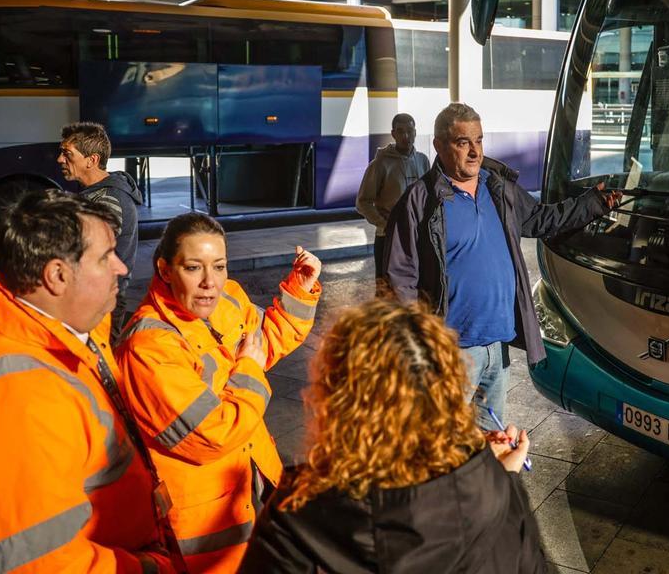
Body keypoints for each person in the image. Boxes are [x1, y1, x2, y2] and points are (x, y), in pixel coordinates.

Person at [0, 189, 178, 573]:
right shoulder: (14, 395)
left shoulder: (42, 339)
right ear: (56, 275)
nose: (121, 267)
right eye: (105, 256)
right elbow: (42, 564)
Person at [240, 300, 546, 573]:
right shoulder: (500, 492)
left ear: (336, 400)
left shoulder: (297, 517)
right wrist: (494, 476)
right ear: (447, 394)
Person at [384, 102, 620, 430]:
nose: (474, 151)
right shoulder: (419, 200)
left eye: (478, 141)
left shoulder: (497, 188)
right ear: (438, 145)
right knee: (438, 444)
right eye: (462, 142)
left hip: (497, 346)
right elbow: (400, 278)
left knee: (491, 444)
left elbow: (540, 219)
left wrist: (592, 203)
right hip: (452, 353)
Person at [114, 212, 322, 573]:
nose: (211, 282)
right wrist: (250, 369)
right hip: (207, 528)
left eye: (220, 266)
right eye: (193, 268)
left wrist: (300, 289)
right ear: (165, 270)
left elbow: (264, 343)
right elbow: (210, 433)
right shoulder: (149, 347)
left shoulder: (229, 299)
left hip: (254, 483)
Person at [59, 121, 143, 338]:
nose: (60, 159)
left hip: (100, 300)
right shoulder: (96, 194)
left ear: (92, 160)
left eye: (68, 154)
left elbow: (85, 253)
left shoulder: (107, 199)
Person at [355, 113, 429, 284]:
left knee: (415, 287)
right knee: (386, 291)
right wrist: (384, 224)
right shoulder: (380, 163)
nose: (406, 136)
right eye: (400, 131)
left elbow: (428, 197)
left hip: (416, 237)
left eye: (410, 131)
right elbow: (362, 201)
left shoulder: (423, 161)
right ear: (393, 134)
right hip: (388, 237)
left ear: (415, 132)